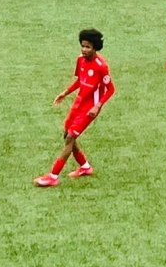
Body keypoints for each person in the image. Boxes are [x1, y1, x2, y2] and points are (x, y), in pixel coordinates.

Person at [34, 29, 115, 187]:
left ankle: (53, 176)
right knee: (67, 134)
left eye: (88, 47)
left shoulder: (101, 66)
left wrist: (97, 106)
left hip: (90, 108)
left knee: (70, 137)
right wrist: (65, 93)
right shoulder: (80, 59)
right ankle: (85, 167)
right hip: (79, 102)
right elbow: (80, 80)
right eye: (82, 46)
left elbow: (111, 89)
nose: (84, 50)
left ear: (95, 48)